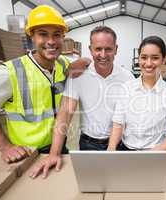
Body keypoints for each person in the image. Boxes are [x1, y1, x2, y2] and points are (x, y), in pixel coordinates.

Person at [0, 5, 90, 163]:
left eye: (57, 35)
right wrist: (6, 147)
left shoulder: (63, 64)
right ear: (32, 37)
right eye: (43, 34)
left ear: (63, 38)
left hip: (58, 145)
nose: (51, 41)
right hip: (27, 153)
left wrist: (83, 61)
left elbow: (88, 61)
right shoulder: (9, 72)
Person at [29, 26, 134, 178]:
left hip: (120, 143)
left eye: (108, 49)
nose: (103, 55)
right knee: (90, 184)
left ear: (116, 49)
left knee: (118, 184)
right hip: (89, 144)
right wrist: (54, 153)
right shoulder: (79, 76)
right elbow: (65, 114)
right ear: (90, 49)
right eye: (98, 49)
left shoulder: (127, 78)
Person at [107, 36, 166, 151]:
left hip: (157, 153)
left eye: (155, 58)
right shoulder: (126, 88)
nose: (148, 63)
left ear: (163, 60)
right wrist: (111, 148)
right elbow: (118, 123)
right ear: (139, 59)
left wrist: (149, 155)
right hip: (126, 151)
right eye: (144, 57)